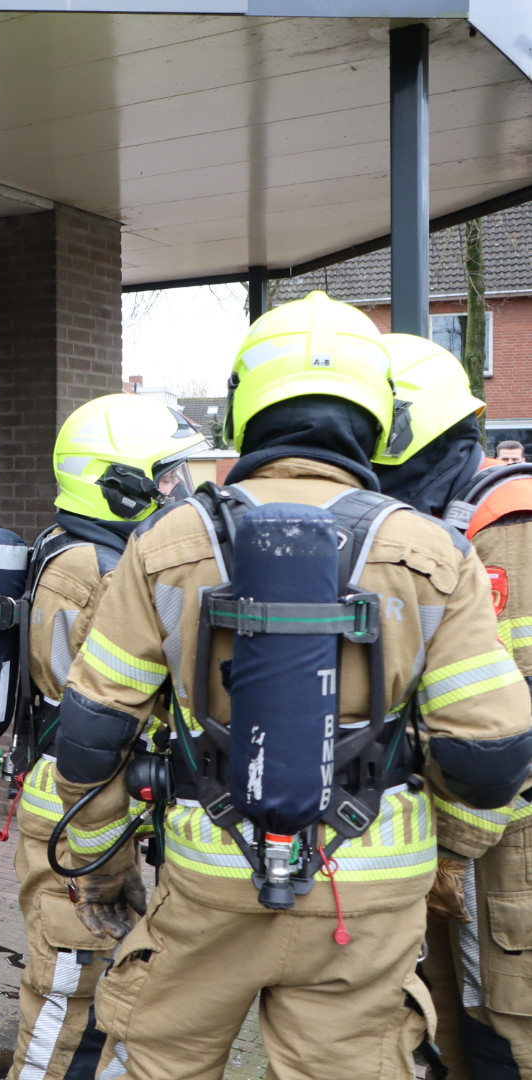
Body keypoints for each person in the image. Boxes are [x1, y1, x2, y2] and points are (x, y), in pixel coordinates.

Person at [53, 291, 532, 1080]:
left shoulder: (168, 543)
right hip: (367, 907)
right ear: (379, 412)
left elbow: (91, 737)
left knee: (159, 1063)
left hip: (208, 884)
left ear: (246, 407)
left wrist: (103, 874)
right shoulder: (435, 555)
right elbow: (493, 757)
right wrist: (439, 857)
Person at [9, 392, 207, 1080]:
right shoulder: (90, 567)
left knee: (100, 980)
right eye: (162, 476)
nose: (175, 489)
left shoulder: (85, 552)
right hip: (78, 802)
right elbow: (92, 696)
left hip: (91, 797)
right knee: (71, 989)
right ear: (117, 487)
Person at [374, 333, 532, 1078]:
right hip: (464, 853)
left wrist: (448, 852)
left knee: (505, 1038)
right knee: (457, 1030)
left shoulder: (507, 536)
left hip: (503, 857)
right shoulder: (441, 533)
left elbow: (512, 731)